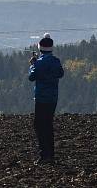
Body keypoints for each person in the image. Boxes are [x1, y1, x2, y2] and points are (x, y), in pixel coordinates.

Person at [28, 33, 64, 164]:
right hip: (53, 98)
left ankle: (44, 155)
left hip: (41, 98)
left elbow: (31, 77)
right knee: (48, 125)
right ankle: (51, 155)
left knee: (39, 125)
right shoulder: (56, 61)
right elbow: (60, 73)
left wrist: (33, 64)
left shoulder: (39, 63)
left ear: (40, 48)